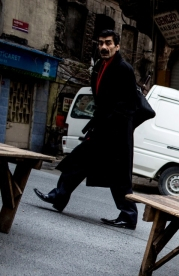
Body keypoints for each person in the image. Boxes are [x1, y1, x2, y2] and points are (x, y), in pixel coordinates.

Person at [34, 30, 138, 229]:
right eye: (100, 43)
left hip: (116, 134)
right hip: (101, 130)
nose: (104, 47)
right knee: (77, 162)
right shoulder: (99, 66)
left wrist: (109, 124)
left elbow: (129, 105)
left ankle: (128, 215)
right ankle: (59, 196)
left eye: (108, 43)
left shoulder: (124, 69)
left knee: (119, 176)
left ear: (117, 46)